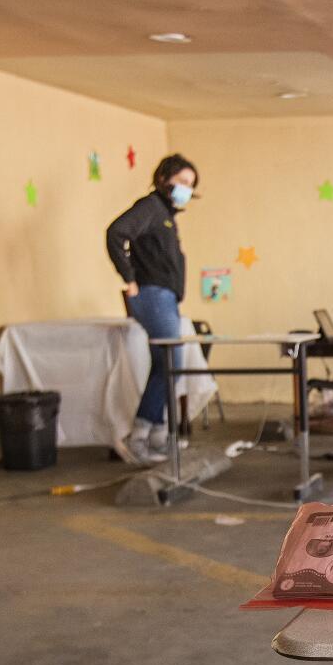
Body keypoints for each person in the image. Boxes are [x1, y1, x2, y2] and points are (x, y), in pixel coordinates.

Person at [107, 154, 198, 463]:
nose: (187, 189)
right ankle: (139, 436)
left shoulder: (166, 216)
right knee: (170, 362)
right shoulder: (150, 207)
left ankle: (158, 433)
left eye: (191, 185)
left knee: (166, 366)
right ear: (164, 179)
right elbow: (116, 232)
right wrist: (130, 279)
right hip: (152, 294)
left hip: (167, 297)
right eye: (183, 182)